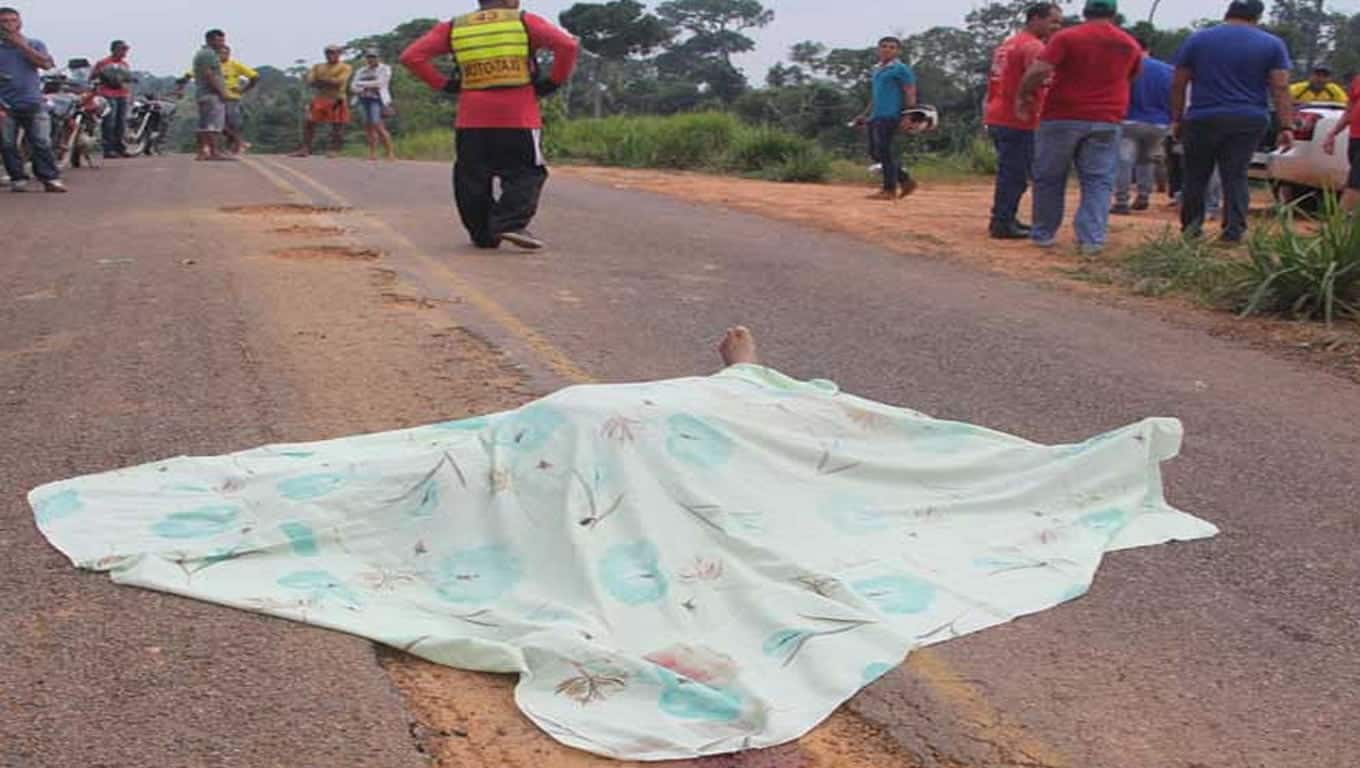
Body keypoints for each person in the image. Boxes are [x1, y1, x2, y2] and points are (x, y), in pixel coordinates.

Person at [400, 0, 579, 251]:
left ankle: (483, 234)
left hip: (471, 117)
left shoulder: (455, 27)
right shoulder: (523, 20)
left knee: (472, 176)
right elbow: (567, 45)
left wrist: (443, 84)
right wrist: (553, 82)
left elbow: (411, 57)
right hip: (519, 115)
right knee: (526, 172)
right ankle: (511, 222)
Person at [1016, 0, 1141, 256]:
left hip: (1063, 115)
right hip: (1107, 118)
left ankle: (1044, 233)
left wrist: (1023, 95)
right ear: (1114, 13)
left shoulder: (1067, 37)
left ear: (1085, 12)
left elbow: (1039, 70)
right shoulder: (1129, 43)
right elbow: (1132, 76)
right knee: (1098, 180)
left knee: (1050, 177)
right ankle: (1091, 239)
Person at [1171, 0, 1294, 243]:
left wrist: (1177, 118)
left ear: (1228, 13)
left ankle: (1191, 231)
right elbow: (1280, 86)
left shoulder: (1198, 39)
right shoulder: (1272, 44)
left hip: (1203, 117)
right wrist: (1286, 125)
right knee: (1235, 175)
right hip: (1248, 118)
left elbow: (1179, 82)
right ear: (1257, 17)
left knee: (1196, 175)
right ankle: (1233, 231)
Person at [982, 3, 1062, 239]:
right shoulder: (1034, 47)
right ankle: (1003, 222)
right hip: (1018, 118)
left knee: (1010, 171)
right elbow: (1040, 81)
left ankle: (1005, 218)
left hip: (998, 113)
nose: (1056, 27)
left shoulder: (1007, 45)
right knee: (1016, 174)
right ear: (1035, 19)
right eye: (1053, 21)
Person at [0, 7, 65, 192]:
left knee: (41, 141)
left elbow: (45, 64)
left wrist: (21, 45)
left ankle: (50, 178)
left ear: (19, 23)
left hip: (32, 100)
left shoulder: (35, 44)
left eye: (12, 21)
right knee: (7, 143)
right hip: (5, 103)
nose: (8, 25)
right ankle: (17, 178)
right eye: (3, 21)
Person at [852, 36, 919, 201]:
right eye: (884, 46)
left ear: (898, 51)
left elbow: (910, 92)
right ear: (878, 49)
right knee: (875, 152)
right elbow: (875, 96)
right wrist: (865, 114)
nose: (887, 49)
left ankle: (889, 189)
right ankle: (905, 179)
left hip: (891, 115)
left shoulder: (900, 69)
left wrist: (909, 115)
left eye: (892, 47)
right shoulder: (877, 69)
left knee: (884, 151)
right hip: (876, 115)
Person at [1113, 37, 1174, 215]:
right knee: (1145, 160)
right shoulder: (1168, 70)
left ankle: (1121, 201)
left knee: (1124, 161)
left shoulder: (1125, 67)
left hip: (1129, 121)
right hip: (1159, 123)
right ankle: (1143, 195)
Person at [293, 45, 352, 158]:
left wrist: (321, 81)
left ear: (339, 54)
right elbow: (310, 81)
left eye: (333, 53)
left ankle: (334, 150)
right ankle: (305, 148)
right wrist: (328, 81)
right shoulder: (318, 67)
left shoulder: (345, 67)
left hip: (337, 99)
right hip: (320, 98)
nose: (330, 55)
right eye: (328, 53)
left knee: (337, 125)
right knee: (309, 122)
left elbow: (339, 82)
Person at [1320, 74, 1360, 213]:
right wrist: (1332, 134)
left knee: (1355, 183)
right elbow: (1349, 111)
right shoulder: (1358, 80)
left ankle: (1340, 227)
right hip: (1355, 137)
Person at [192, 29, 233, 161]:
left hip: (203, 93)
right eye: (219, 40)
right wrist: (222, 92)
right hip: (211, 93)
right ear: (209, 40)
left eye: (223, 40)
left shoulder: (203, 54)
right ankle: (214, 152)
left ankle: (202, 152)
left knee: (203, 125)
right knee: (214, 126)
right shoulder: (209, 55)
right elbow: (210, 75)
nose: (222, 43)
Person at [91, 40, 133, 159]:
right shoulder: (103, 63)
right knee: (109, 122)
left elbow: (127, 80)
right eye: (122, 49)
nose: (124, 52)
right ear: (114, 50)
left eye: (125, 49)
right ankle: (108, 149)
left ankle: (120, 148)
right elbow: (92, 76)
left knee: (121, 122)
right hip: (107, 94)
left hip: (121, 94)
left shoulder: (124, 65)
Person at [352, 49, 395, 161]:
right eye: (369, 57)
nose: (371, 59)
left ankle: (390, 152)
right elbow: (353, 87)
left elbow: (380, 83)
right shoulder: (361, 71)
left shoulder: (385, 69)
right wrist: (365, 86)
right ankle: (372, 153)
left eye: (374, 57)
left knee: (378, 125)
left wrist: (361, 84)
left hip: (377, 100)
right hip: (363, 100)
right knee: (368, 127)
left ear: (379, 58)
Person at [218, 45, 258, 155]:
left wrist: (243, 89)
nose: (223, 55)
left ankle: (232, 147)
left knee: (233, 123)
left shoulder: (234, 65)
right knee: (219, 124)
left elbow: (254, 76)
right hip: (217, 98)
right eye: (221, 53)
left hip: (232, 98)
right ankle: (240, 142)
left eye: (226, 53)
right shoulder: (213, 66)